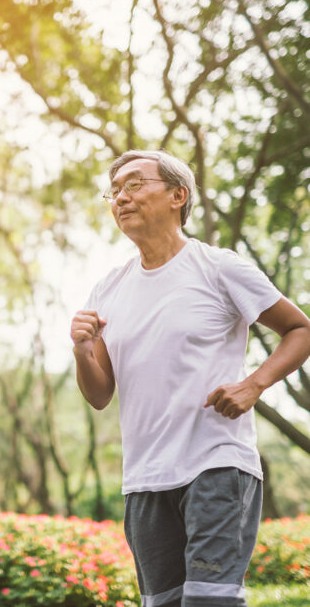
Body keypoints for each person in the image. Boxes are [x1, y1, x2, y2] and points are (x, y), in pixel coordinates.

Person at [70, 150, 310, 607]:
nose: (121, 196)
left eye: (135, 184)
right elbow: (100, 394)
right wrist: (83, 351)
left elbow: (300, 330)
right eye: (115, 190)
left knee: (209, 601)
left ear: (178, 195)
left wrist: (253, 385)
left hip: (216, 463)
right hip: (145, 477)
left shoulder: (219, 267)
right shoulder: (108, 289)